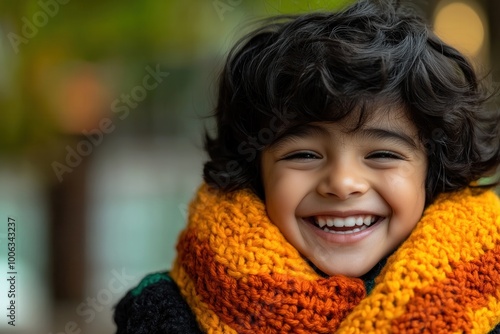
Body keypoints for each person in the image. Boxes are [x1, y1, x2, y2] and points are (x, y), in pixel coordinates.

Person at [114, 0, 500, 332]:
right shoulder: (161, 312)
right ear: (254, 174)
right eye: (304, 155)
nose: (343, 183)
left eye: (382, 154)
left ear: (433, 174)